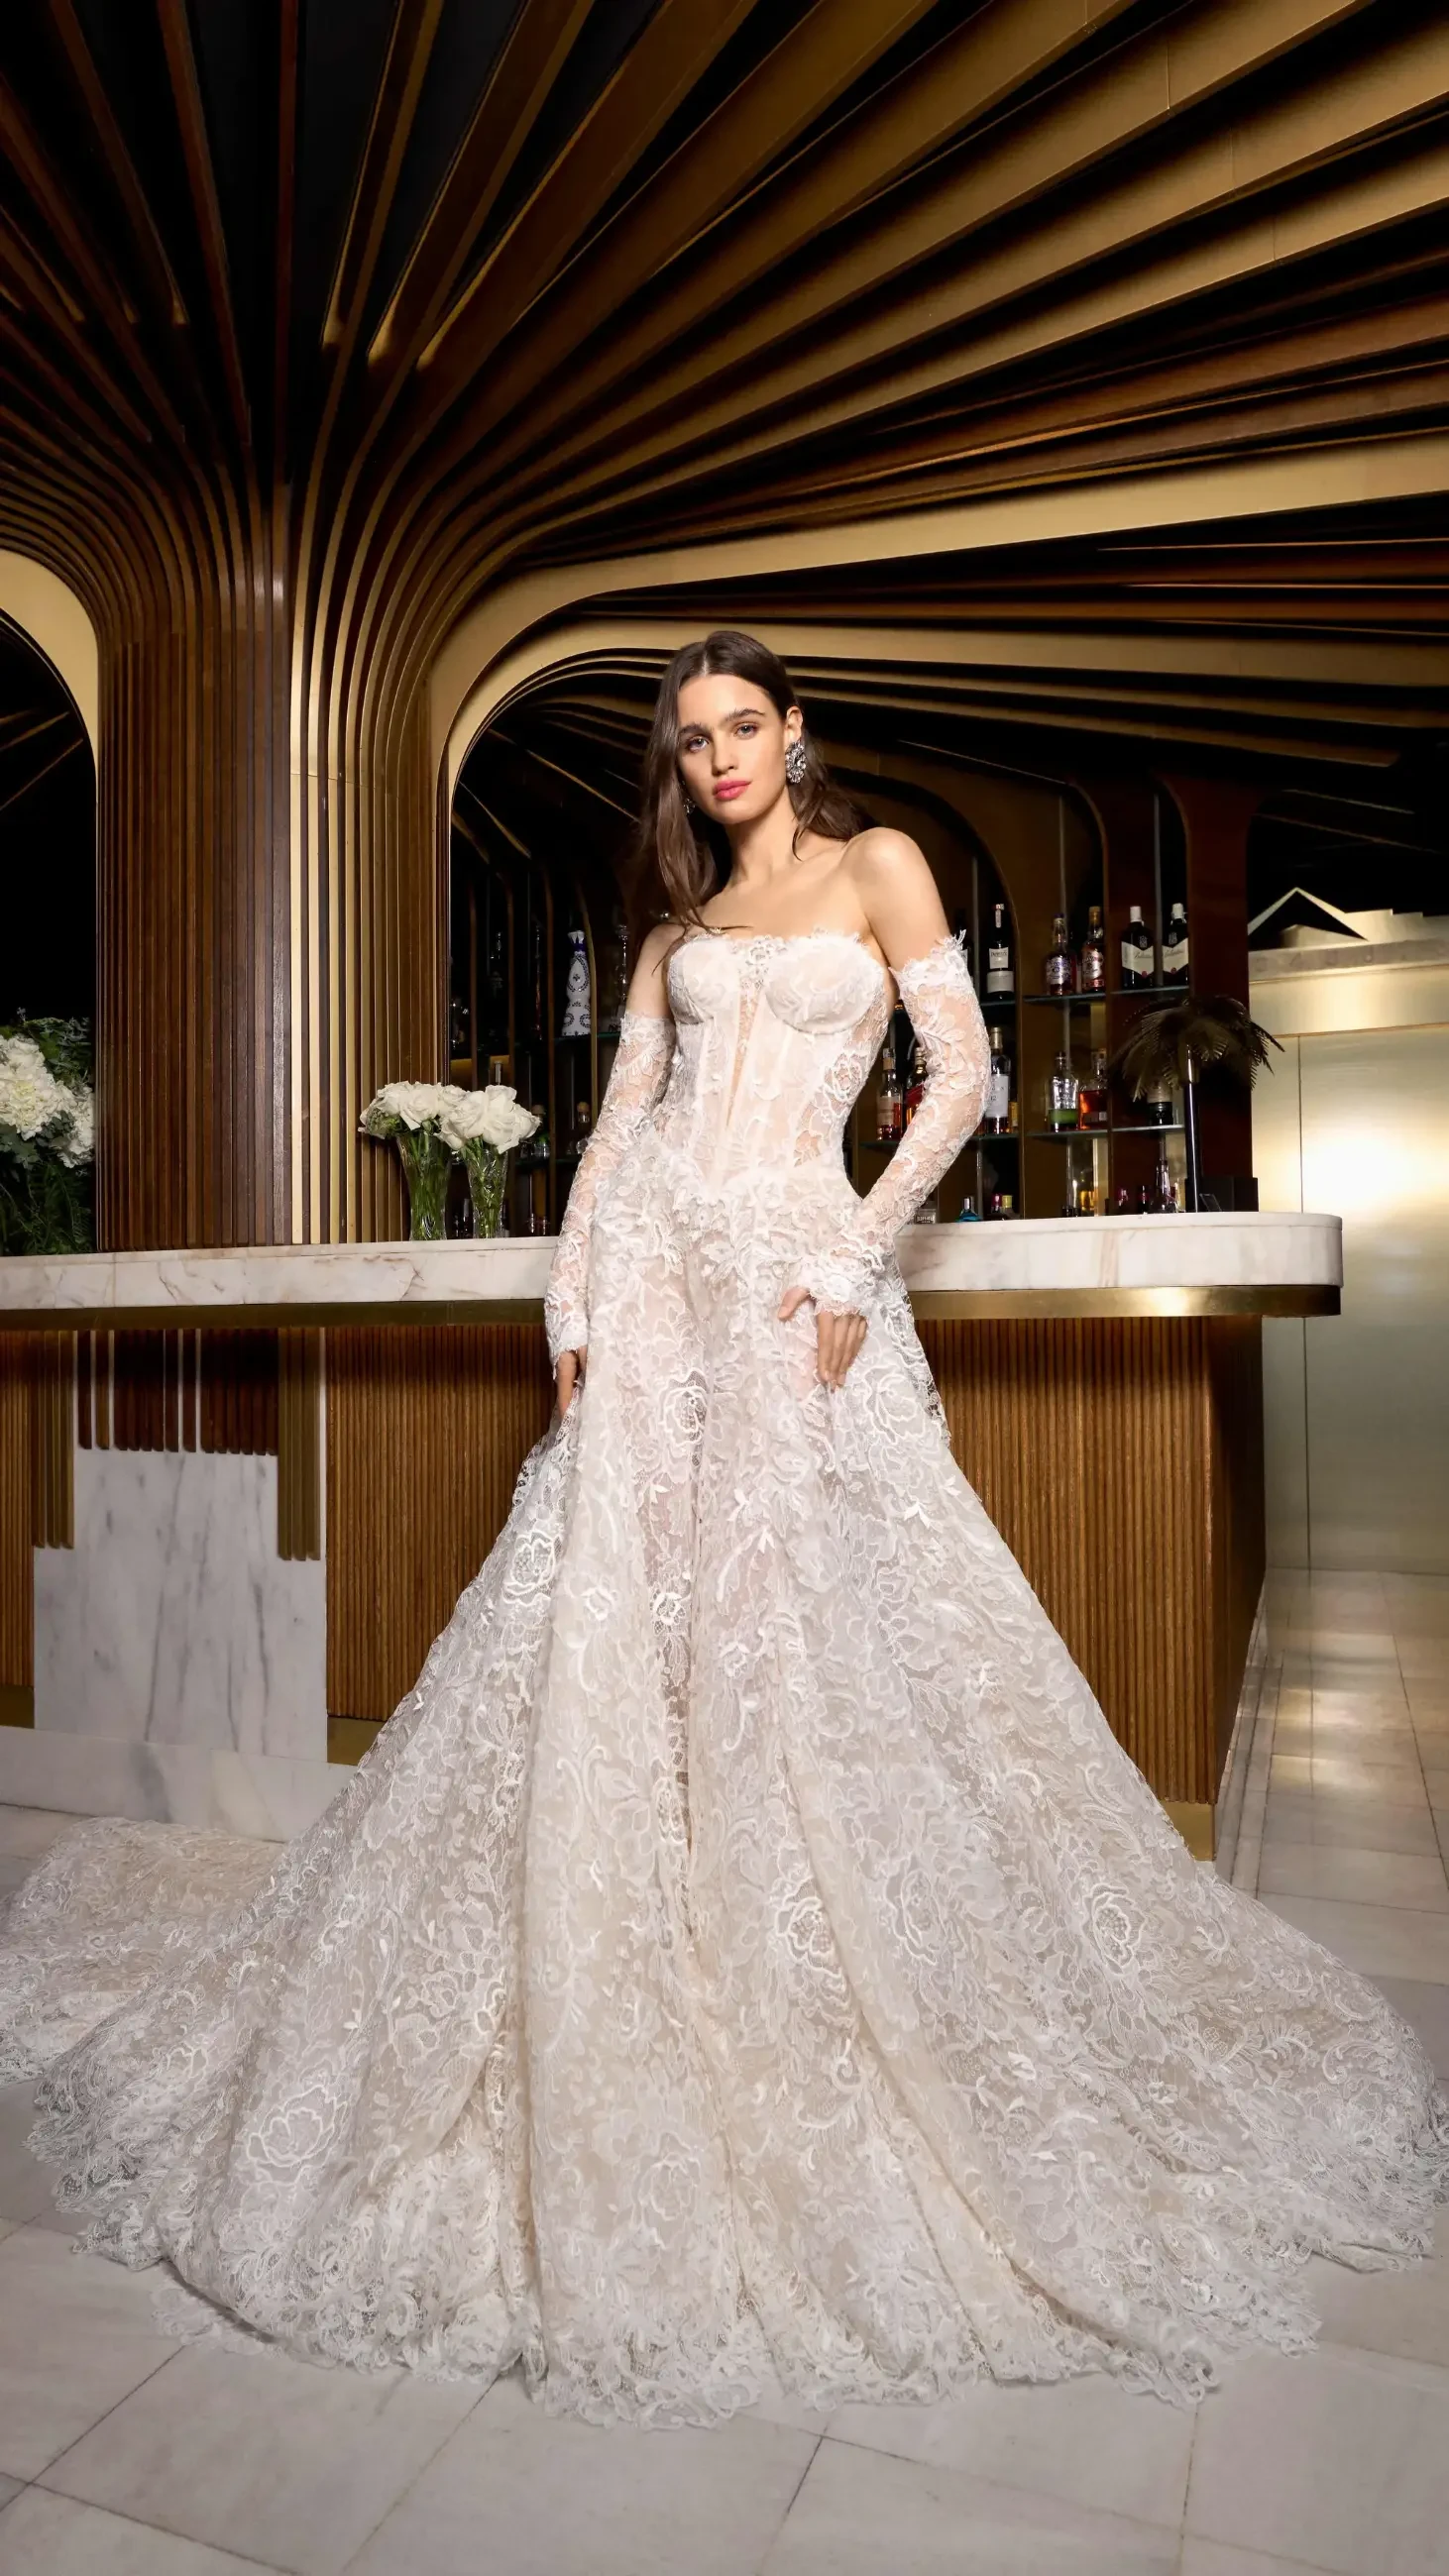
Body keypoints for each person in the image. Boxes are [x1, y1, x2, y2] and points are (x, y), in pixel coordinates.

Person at [1, 630, 1444, 2429]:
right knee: (626, 1632)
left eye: (739, 728)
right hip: (657, 1301)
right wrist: (570, 1311)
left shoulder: (879, 865)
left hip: (791, 1289)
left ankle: (799, 1984)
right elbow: (618, 1133)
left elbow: (964, 1078)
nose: (717, 760)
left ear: (791, 732)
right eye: (689, 741)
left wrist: (847, 1255)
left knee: (803, 1630)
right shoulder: (675, 937)